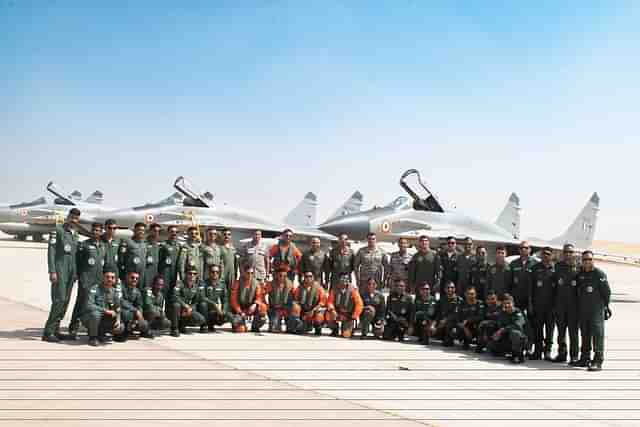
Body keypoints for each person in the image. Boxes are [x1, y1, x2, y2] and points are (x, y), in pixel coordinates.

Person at [43, 208, 81, 342]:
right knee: (58, 300)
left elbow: (75, 254)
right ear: (68, 217)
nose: (74, 220)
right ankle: (48, 332)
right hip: (60, 271)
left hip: (71, 273)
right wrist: (52, 271)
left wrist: (76, 273)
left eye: (76, 218)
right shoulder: (57, 230)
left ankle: (56, 330)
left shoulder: (75, 233)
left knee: (65, 302)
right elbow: (51, 251)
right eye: (72, 217)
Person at [575, 251, 611, 371]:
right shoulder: (580, 274)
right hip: (583, 309)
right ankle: (585, 358)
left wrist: (605, 307)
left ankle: (598, 360)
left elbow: (606, 293)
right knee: (584, 334)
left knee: (597, 335)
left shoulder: (599, 274)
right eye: (584, 260)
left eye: (589, 259)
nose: (587, 262)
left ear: (593, 260)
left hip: (596, 309)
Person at [69, 221, 105, 340]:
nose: (96, 232)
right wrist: (78, 276)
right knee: (81, 303)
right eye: (94, 230)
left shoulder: (103, 246)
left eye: (99, 230)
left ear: (101, 232)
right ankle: (73, 327)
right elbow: (77, 262)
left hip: (98, 281)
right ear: (91, 231)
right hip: (86, 279)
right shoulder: (84, 245)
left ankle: (93, 327)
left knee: (95, 304)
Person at [82, 269, 125, 346]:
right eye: (107, 277)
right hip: (90, 317)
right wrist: (105, 311)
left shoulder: (115, 292)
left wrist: (118, 320)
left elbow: (118, 308)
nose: (110, 279)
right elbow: (89, 305)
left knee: (121, 327)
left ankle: (101, 333)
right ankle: (93, 337)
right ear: (103, 278)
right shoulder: (95, 288)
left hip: (103, 318)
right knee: (95, 314)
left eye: (112, 277)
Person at [553, 243, 580, 364]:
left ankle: (574, 355)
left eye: (570, 252)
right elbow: (554, 286)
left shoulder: (579, 268)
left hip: (573, 307)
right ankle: (562, 354)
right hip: (560, 305)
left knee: (573, 333)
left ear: (573, 254)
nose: (568, 254)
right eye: (566, 252)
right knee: (561, 333)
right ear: (563, 254)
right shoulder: (558, 266)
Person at [530, 247, 556, 361]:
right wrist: (530, 304)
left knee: (550, 330)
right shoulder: (535, 268)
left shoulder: (555, 269)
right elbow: (530, 289)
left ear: (551, 256)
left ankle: (548, 352)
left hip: (551, 307)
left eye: (548, 254)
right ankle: (537, 351)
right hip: (538, 305)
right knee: (538, 330)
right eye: (544, 254)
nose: (546, 256)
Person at [487, 294, 527, 364]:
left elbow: (517, 325)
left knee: (514, 332)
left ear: (513, 303)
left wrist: (503, 330)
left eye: (509, 303)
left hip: (520, 340)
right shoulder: (502, 313)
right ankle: (506, 351)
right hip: (507, 338)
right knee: (492, 347)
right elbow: (499, 325)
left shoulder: (518, 312)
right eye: (505, 304)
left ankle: (518, 355)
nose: (507, 305)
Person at [168, 266, 207, 337]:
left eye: (194, 274)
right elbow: (174, 297)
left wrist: (191, 308)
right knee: (176, 305)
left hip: (187, 310)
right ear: (186, 274)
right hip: (177, 310)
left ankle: (182, 325)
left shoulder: (196, 286)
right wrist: (185, 306)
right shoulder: (179, 284)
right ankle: (174, 328)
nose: (192, 275)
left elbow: (196, 301)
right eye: (190, 273)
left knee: (201, 319)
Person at [229, 266, 267, 333]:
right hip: (240, 309)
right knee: (241, 330)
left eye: (252, 273)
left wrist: (255, 304)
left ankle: (255, 326)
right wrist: (240, 312)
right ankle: (240, 324)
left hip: (250, 308)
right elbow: (233, 300)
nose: (250, 275)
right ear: (243, 273)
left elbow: (259, 296)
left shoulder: (256, 283)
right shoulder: (237, 283)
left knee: (262, 307)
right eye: (248, 273)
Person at [289, 270, 326, 335]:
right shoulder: (300, 287)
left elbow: (322, 302)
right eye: (306, 276)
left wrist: (313, 310)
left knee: (319, 315)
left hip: (314, 311)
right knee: (295, 306)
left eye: (310, 276)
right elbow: (296, 299)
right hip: (303, 312)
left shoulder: (319, 288)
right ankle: (298, 324)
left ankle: (317, 327)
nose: (308, 278)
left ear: (313, 277)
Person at [326, 273, 364, 338]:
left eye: (346, 278)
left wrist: (352, 317)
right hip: (337, 313)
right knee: (328, 314)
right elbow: (330, 302)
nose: (344, 280)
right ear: (339, 279)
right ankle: (335, 329)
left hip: (348, 315)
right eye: (343, 278)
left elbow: (359, 305)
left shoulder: (353, 290)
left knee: (346, 335)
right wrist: (332, 310)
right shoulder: (334, 289)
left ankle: (349, 329)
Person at [119, 271, 152, 341]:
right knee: (125, 313)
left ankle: (141, 331)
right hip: (121, 313)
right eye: (132, 277)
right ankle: (123, 332)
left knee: (144, 324)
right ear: (127, 277)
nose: (135, 280)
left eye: (137, 278)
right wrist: (135, 310)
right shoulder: (120, 287)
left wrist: (140, 315)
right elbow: (121, 301)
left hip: (132, 314)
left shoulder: (137, 291)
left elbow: (139, 305)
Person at [198, 264, 227, 332]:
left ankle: (211, 325)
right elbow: (202, 297)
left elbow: (225, 300)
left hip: (216, 310)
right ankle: (204, 325)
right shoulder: (203, 283)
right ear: (209, 273)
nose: (215, 273)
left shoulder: (222, 284)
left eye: (217, 272)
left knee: (226, 316)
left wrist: (223, 311)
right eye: (213, 272)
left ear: (219, 273)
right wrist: (214, 304)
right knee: (203, 304)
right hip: (206, 309)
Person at [264, 264, 294, 333]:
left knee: (292, 330)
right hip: (274, 309)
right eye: (280, 275)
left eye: (284, 276)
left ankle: (289, 323)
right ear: (276, 275)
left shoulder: (290, 284)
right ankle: (275, 322)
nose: (282, 277)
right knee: (274, 330)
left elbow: (296, 297)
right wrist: (266, 305)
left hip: (286, 309)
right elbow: (262, 295)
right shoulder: (270, 284)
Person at [118, 223, 148, 287]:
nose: (141, 232)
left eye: (143, 230)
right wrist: (123, 273)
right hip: (130, 274)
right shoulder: (127, 242)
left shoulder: (145, 244)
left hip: (141, 275)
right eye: (139, 229)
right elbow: (121, 259)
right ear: (134, 230)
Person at [436, 281, 463, 346]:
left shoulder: (459, 300)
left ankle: (449, 339)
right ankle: (443, 336)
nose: (450, 289)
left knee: (450, 324)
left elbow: (456, 314)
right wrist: (434, 324)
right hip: (442, 322)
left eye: (452, 287)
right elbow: (438, 313)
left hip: (455, 324)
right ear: (445, 289)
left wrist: (445, 320)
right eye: (448, 288)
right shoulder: (442, 300)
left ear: (455, 289)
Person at [158, 225, 182, 289]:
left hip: (175, 274)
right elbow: (159, 261)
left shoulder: (179, 246)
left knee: (173, 291)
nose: (174, 233)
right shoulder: (163, 245)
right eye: (172, 231)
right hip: (165, 273)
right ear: (168, 232)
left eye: (176, 232)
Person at [143, 223, 162, 291]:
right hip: (145, 275)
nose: (156, 233)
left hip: (155, 275)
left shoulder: (158, 246)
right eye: (155, 230)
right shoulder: (144, 244)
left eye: (158, 231)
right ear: (150, 231)